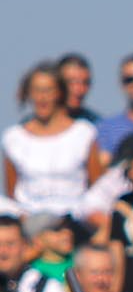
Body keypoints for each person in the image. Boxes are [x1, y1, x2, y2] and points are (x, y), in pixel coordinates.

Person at [5, 62, 102, 219]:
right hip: (30, 223)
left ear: (60, 93)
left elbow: (97, 188)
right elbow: (12, 194)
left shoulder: (84, 133)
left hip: (74, 221)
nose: (42, 97)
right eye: (37, 91)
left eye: (48, 91)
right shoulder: (13, 138)